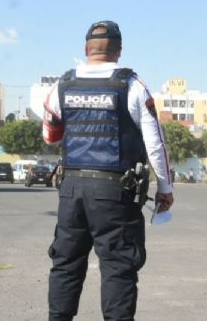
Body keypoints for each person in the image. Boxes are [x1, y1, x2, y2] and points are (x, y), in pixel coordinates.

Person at [42, 20, 173, 321]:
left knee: (65, 264)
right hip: (116, 193)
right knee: (117, 267)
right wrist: (165, 189)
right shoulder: (131, 84)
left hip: (71, 189)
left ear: (86, 49)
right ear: (118, 50)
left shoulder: (62, 84)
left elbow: (50, 135)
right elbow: (156, 144)